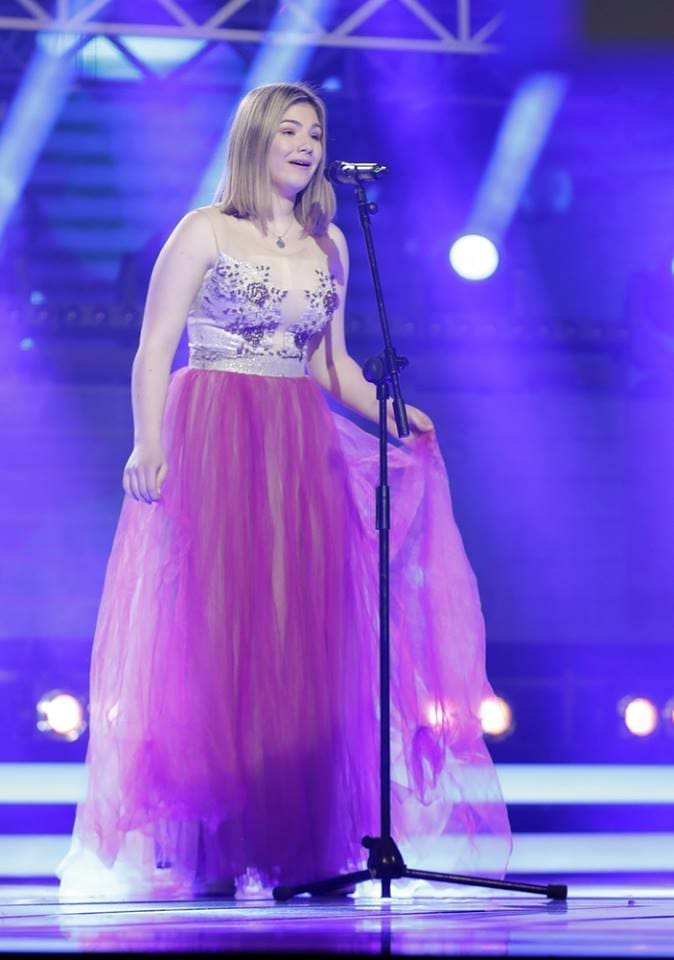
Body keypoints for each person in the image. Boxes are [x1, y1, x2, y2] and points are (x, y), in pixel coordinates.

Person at [58, 82, 511, 900]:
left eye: (316, 132)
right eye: (290, 130)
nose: (306, 144)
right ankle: (214, 840)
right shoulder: (203, 230)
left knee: (302, 633)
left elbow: (330, 364)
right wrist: (148, 440)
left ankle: (302, 839)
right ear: (256, 140)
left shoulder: (329, 243)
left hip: (298, 442)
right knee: (219, 632)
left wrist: (395, 413)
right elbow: (154, 346)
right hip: (214, 431)